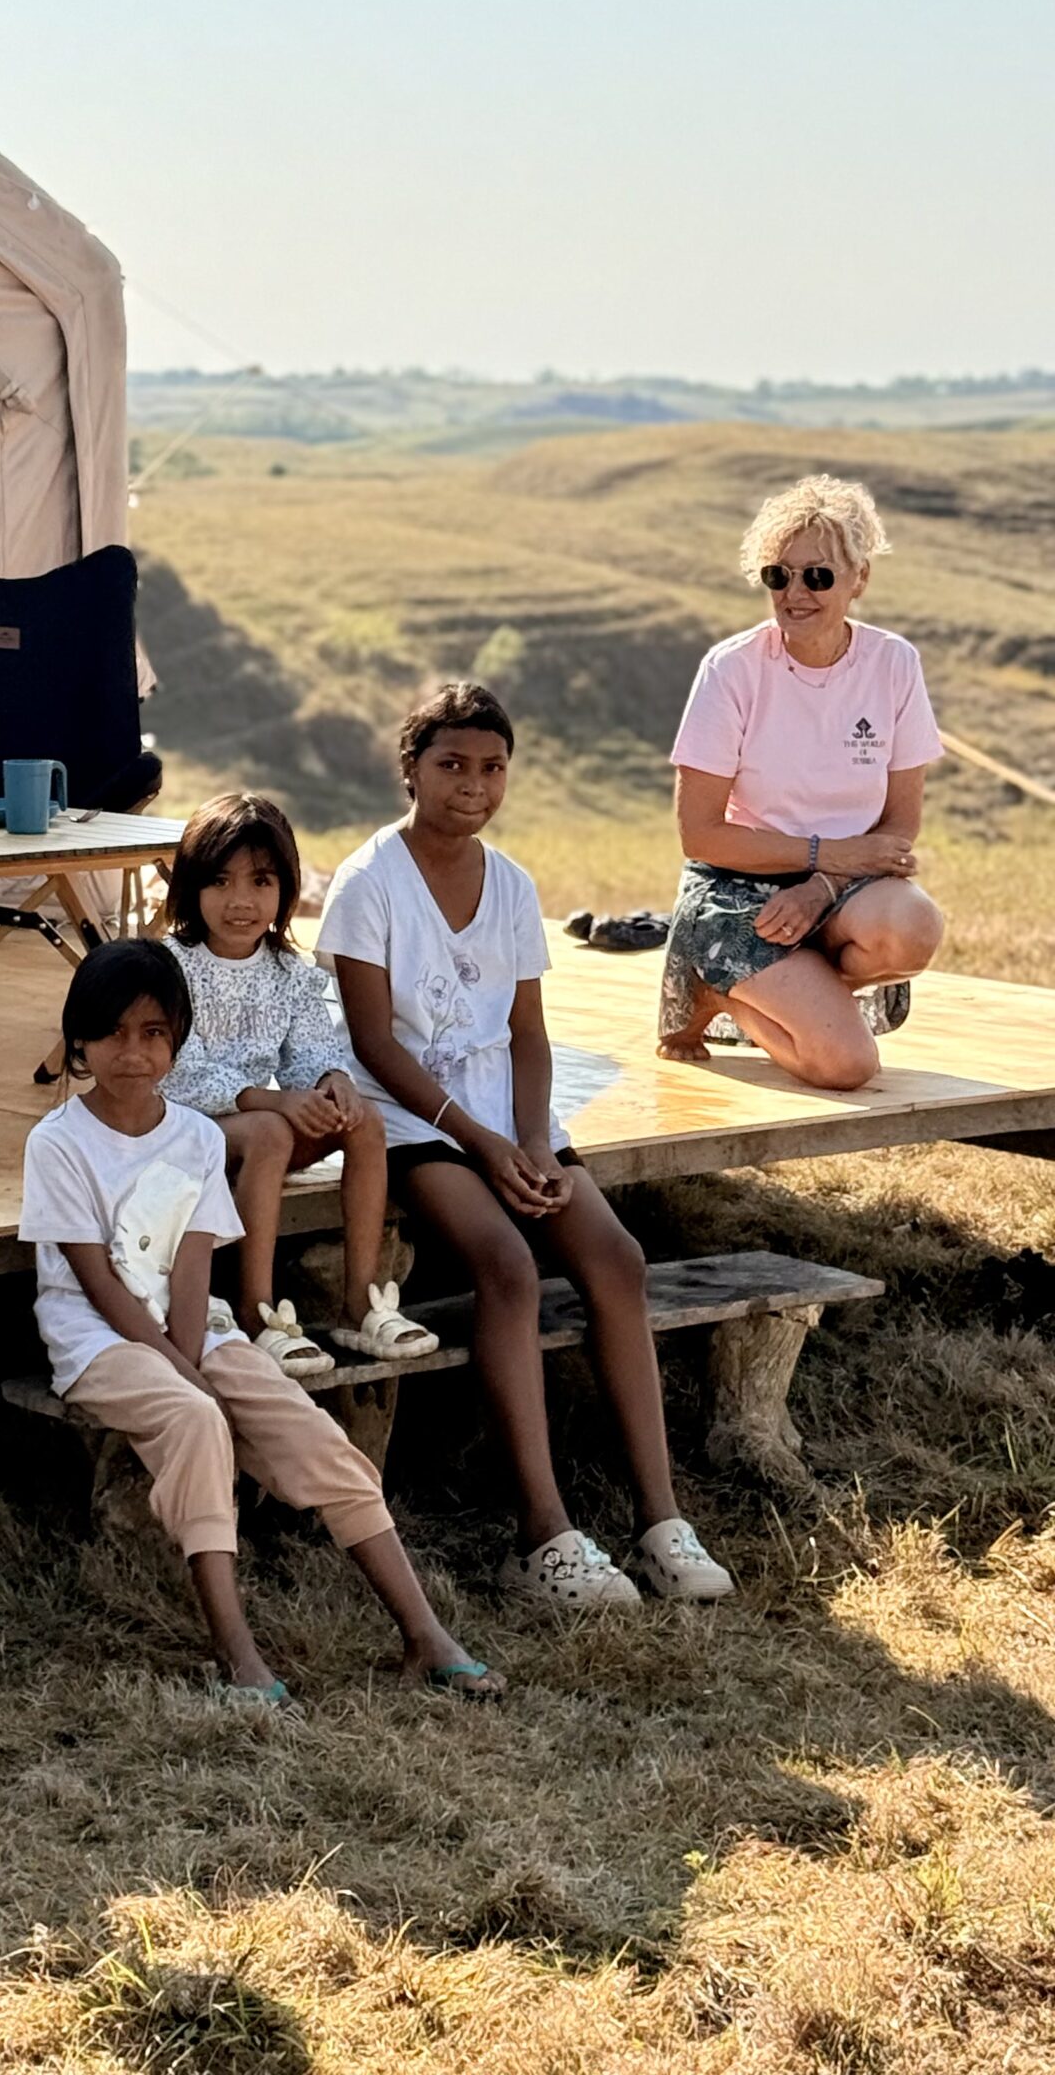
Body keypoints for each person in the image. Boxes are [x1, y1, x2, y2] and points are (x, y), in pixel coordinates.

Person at [320, 684, 732, 1610]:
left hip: (504, 1115)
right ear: (411, 770)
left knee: (616, 1258)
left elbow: (529, 1034)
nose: (473, 785)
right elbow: (374, 1042)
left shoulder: (510, 883)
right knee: (505, 1265)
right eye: (451, 765)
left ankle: (660, 1522)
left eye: (492, 767)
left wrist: (535, 1140)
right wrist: (481, 1141)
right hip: (410, 1118)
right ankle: (542, 1537)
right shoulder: (367, 882)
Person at [20, 938, 502, 1706]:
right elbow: (98, 1284)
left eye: (153, 1034)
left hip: (196, 1329)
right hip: (98, 1341)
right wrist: (189, 1380)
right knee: (196, 1420)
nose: (133, 1053)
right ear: (79, 1039)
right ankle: (239, 1657)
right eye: (112, 1033)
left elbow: (191, 1270)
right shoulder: (58, 1143)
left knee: (308, 1429)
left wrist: (196, 1359)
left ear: (178, 1040)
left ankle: (426, 1636)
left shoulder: (197, 1137)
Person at [658, 474, 946, 1088]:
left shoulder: (894, 663)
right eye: (778, 575)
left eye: (817, 576)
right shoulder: (731, 669)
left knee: (916, 929)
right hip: (737, 889)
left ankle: (786, 987)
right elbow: (700, 835)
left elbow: (900, 822)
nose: (795, 593)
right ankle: (715, 988)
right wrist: (827, 855)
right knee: (847, 1066)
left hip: (845, 883)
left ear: (859, 579)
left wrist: (823, 882)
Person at [160, 792, 435, 1375]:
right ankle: (257, 1313)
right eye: (220, 881)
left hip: (257, 1134)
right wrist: (271, 1100)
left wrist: (333, 1083)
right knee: (269, 1130)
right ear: (190, 885)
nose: (241, 901)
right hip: (179, 1136)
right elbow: (176, 1070)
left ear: (285, 889)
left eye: (261, 881)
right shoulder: (169, 967)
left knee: (364, 1120)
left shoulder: (288, 971)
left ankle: (360, 1304)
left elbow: (311, 1051)